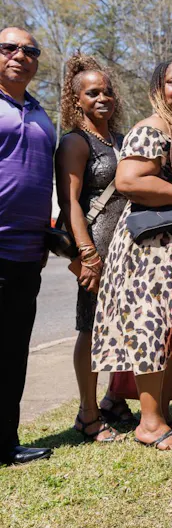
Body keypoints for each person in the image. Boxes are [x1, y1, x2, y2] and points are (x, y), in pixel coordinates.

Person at [92, 59, 172, 452]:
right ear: (159, 87)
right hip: (150, 248)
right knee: (151, 329)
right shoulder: (153, 128)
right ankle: (149, 423)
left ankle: (159, 413)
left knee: (169, 333)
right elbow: (129, 180)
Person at [54, 55, 131, 443]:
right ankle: (88, 415)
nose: (103, 98)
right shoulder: (75, 141)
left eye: (107, 91)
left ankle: (115, 399)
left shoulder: (118, 139)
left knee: (124, 324)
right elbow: (70, 203)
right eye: (93, 93)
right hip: (97, 244)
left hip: (128, 245)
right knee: (91, 326)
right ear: (76, 98)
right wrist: (86, 255)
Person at [0, 27, 55, 466]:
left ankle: (6, 442)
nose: (20, 55)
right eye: (9, 48)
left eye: (29, 50)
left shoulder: (40, 114)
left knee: (13, 352)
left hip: (26, 254)